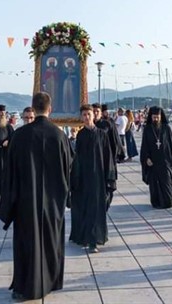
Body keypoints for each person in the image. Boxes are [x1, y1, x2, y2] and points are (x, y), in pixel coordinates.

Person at [0, 92, 72, 301]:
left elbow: (9, 171)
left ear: (33, 107)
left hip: (25, 201)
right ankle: (51, 281)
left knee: (26, 243)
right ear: (50, 108)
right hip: (52, 201)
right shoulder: (59, 135)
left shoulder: (19, 136)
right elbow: (68, 168)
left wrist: (9, 201)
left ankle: (24, 286)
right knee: (50, 240)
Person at [70, 104, 115, 253]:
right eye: (84, 115)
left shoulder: (102, 134)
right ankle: (83, 236)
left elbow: (108, 157)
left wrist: (110, 178)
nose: (86, 117)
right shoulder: (81, 136)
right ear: (81, 117)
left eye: (88, 114)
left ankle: (94, 240)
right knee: (84, 208)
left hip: (98, 178)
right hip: (83, 178)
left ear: (93, 116)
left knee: (95, 209)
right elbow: (76, 158)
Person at [140, 106, 172, 209]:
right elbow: (144, 146)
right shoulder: (147, 129)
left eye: (157, 117)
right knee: (154, 184)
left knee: (166, 182)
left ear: (161, 117)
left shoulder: (166, 128)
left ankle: (167, 202)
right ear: (151, 117)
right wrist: (146, 158)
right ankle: (156, 202)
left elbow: (171, 145)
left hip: (165, 161)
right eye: (154, 117)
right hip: (153, 162)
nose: (156, 119)